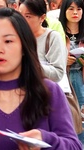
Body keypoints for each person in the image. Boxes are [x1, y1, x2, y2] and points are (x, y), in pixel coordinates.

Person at [0, 7, 82, 150]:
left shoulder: (49, 92)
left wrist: (45, 139)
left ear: (24, 47)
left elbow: (73, 145)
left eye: (8, 41)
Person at [59, 0, 84, 144]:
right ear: (64, 11)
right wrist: (64, 60)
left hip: (81, 78)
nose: (75, 12)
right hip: (64, 79)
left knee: (81, 117)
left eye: (79, 9)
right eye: (71, 9)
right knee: (68, 117)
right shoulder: (57, 31)